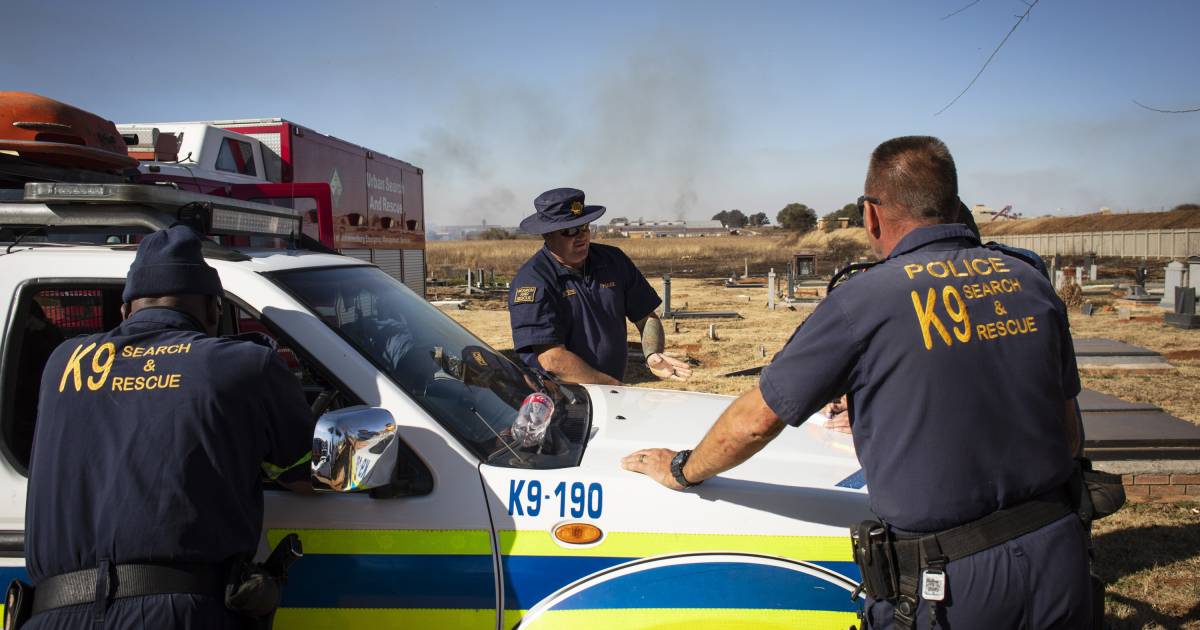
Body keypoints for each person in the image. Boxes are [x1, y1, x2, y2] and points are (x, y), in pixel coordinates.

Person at [622, 136, 1091, 628]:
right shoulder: (1028, 281)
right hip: (1059, 554)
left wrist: (681, 469)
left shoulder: (864, 301)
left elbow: (756, 422)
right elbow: (1069, 429)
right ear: (955, 205)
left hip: (949, 585)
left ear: (871, 215)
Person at [21, 225, 314, 629]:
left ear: (125, 311)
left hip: (50, 616)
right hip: (176, 616)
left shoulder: (63, 363)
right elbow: (306, 474)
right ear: (214, 309)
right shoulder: (244, 366)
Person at [508, 187, 692, 385]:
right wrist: (613, 387)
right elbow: (553, 360)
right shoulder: (533, 281)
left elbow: (646, 317)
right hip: (560, 399)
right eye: (570, 231)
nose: (582, 236)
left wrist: (652, 353)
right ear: (547, 235)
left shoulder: (613, 261)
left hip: (609, 389)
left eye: (585, 226)